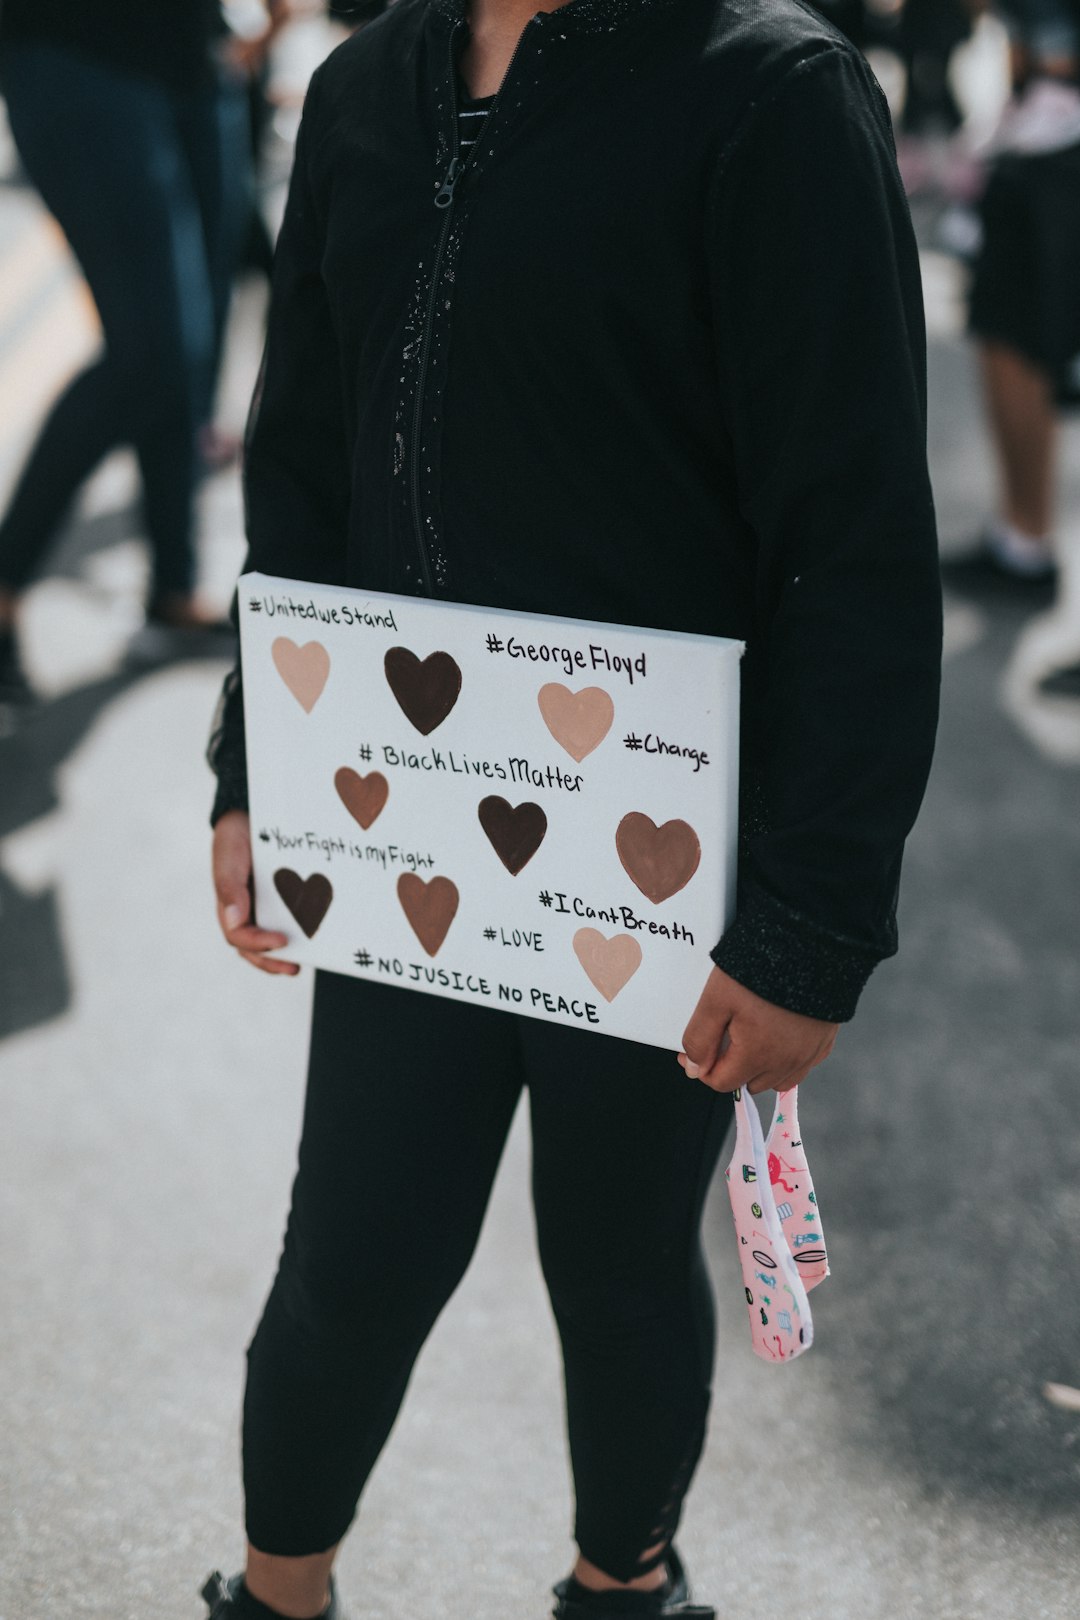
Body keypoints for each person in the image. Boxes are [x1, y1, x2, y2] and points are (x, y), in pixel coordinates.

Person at [204, 0, 943, 1614]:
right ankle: (274, 1593)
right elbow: (303, 470)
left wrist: (812, 926)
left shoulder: (775, 95)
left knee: (615, 1259)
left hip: (660, 857)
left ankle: (626, 1584)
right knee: (354, 1253)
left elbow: (859, 538)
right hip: (400, 827)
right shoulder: (359, 90)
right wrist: (253, 766)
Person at [0, 0, 251, 703]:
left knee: (191, 354)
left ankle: (174, 589)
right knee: (153, 356)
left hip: (198, 60)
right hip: (78, 55)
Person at [948, 0, 1080, 591]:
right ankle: (1023, 538)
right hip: (1042, 134)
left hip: (1055, 146)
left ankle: (1025, 540)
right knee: (1017, 343)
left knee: (1019, 343)